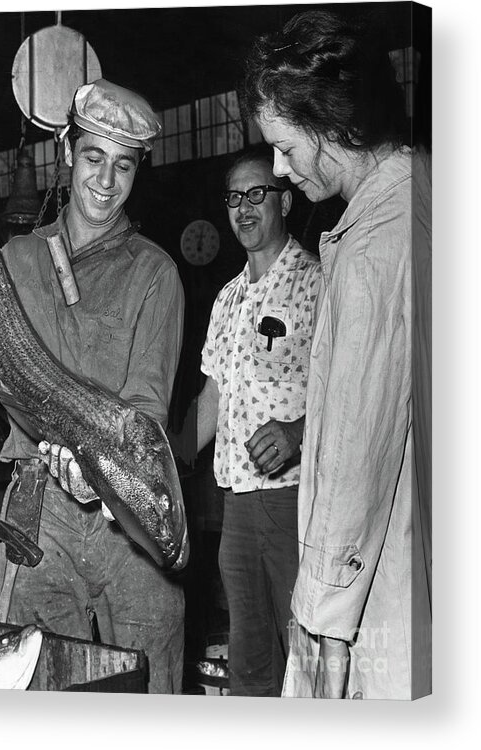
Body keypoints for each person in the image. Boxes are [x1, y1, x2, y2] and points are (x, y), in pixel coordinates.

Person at [0, 79, 186, 694]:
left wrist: (99, 470)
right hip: (39, 512)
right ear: (66, 151)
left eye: (124, 165)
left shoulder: (156, 274)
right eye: (94, 157)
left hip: (129, 524)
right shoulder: (15, 258)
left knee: (152, 685)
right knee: (34, 690)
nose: (106, 180)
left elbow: (143, 416)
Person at [240, 9, 432, 699]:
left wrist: (318, 618)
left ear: (339, 128)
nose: (279, 171)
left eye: (287, 149)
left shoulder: (375, 247)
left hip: (372, 596)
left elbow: (355, 454)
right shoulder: (428, 193)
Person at [176, 145, 321, 696]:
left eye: (257, 193)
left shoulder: (316, 281)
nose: (244, 207)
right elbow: (214, 394)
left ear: (283, 200)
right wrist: (166, 460)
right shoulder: (227, 298)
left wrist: (297, 433)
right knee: (250, 658)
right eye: (235, 196)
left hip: (294, 500)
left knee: (308, 659)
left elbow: (354, 387)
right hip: (235, 505)